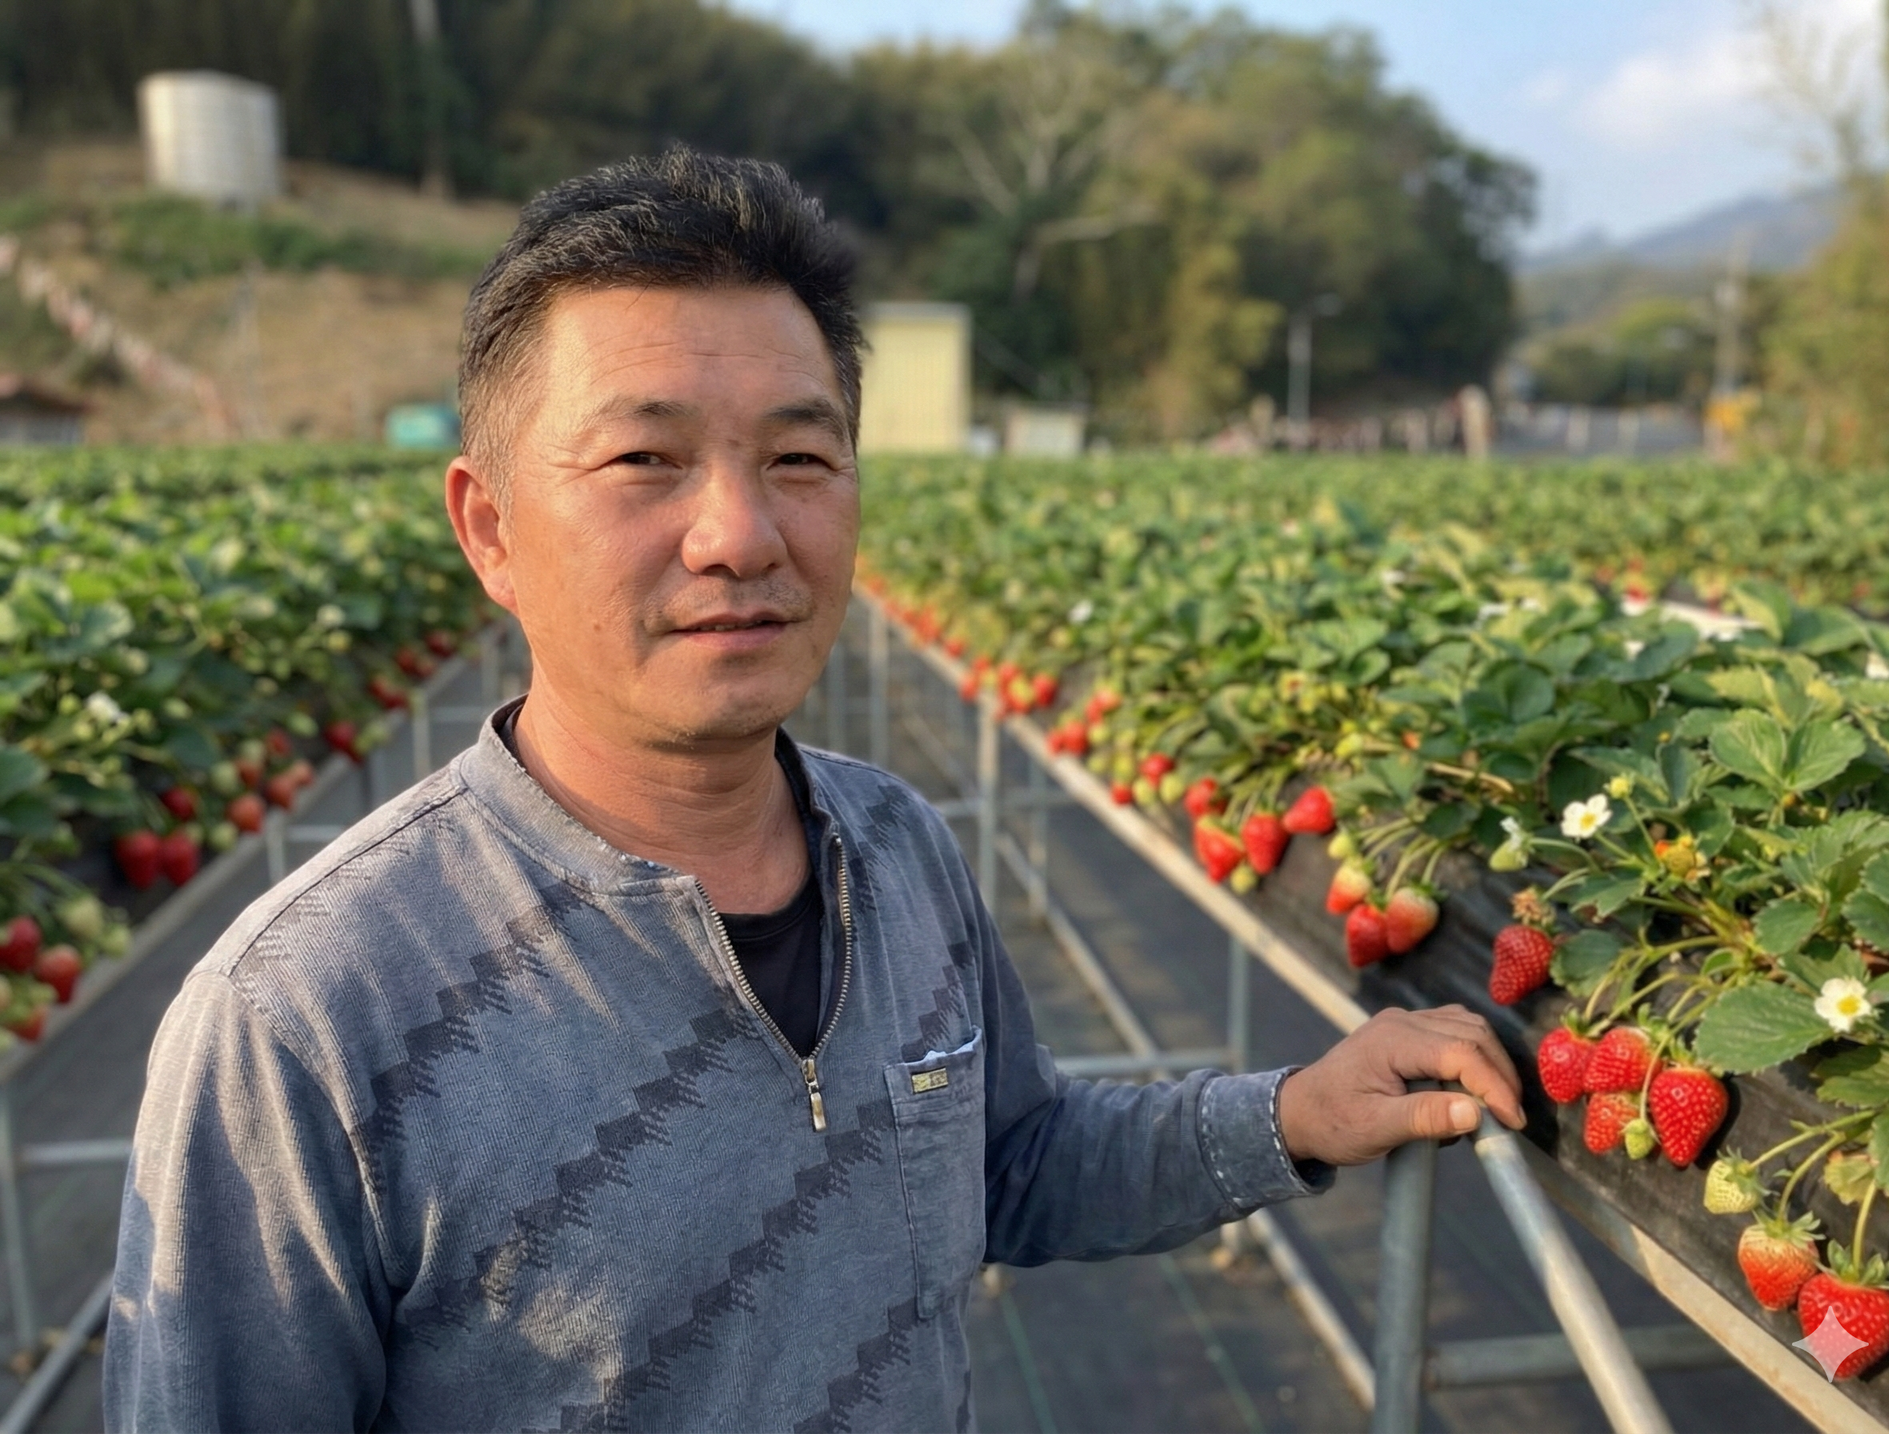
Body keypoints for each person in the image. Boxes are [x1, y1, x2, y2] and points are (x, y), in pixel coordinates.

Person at [104, 147, 1523, 1432]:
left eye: (798, 456)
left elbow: (1011, 1160)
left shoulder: (896, 845)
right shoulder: (304, 1018)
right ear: (490, 528)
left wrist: (1291, 1113)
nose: (739, 532)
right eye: (645, 460)